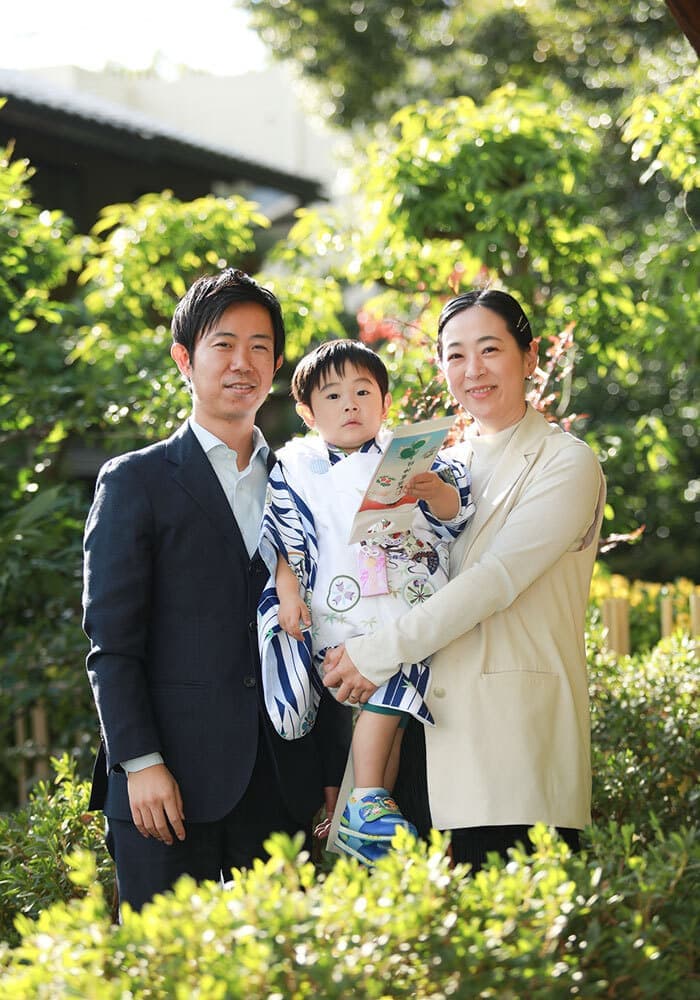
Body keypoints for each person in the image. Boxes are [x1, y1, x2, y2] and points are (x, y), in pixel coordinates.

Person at [82, 268, 352, 911]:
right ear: (185, 358)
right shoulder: (135, 482)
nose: (242, 362)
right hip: (167, 790)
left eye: (260, 346)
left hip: (282, 785)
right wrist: (139, 763)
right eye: (223, 344)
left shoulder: (308, 480)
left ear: (278, 362)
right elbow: (111, 645)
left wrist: (330, 771)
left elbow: (327, 629)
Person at [322, 289, 606, 870]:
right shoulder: (434, 467)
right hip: (418, 747)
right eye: (455, 355)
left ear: (529, 357)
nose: (472, 370)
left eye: (489, 349)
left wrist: (374, 653)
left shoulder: (566, 462)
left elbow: (495, 579)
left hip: (511, 754)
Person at [256, 339, 474, 865]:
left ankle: (371, 807)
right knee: (388, 694)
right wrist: (287, 595)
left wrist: (432, 491)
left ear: (384, 402)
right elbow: (288, 543)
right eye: (332, 396)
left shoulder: (411, 454)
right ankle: (367, 801)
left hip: (407, 604)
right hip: (342, 610)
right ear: (307, 412)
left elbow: (454, 513)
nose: (350, 404)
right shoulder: (297, 466)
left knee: (396, 707)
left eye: (362, 392)